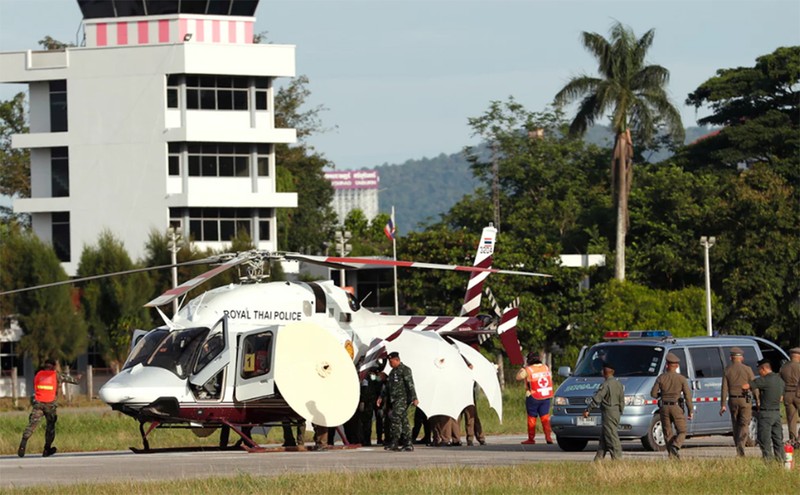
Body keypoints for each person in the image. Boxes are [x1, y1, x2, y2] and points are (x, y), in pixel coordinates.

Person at [18, 359, 81, 458]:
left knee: (32, 424)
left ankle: (23, 442)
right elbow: (73, 381)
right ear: (53, 366)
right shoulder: (56, 375)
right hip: (50, 405)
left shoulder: (38, 374)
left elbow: (36, 387)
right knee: (50, 427)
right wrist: (78, 378)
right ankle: (47, 449)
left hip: (38, 403)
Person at [650, 352, 692, 459]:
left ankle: (671, 455)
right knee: (682, 431)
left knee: (667, 433)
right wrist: (690, 410)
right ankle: (676, 445)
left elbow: (653, 394)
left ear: (667, 365)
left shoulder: (661, 378)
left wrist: (662, 395)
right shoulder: (681, 379)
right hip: (676, 407)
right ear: (677, 366)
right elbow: (688, 396)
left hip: (664, 407)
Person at [376, 351, 418, 452]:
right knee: (403, 420)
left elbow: (410, 384)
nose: (390, 364)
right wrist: (381, 397)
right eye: (389, 362)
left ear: (397, 360)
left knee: (395, 419)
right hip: (394, 400)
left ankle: (396, 442)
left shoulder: (405, 370)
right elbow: (387, 386)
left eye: (391, 361)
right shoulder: (392, 372)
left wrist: (414, 397)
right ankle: (406, 443)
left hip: (402, 399)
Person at [583, 361, 625, 460]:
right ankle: (598, 459)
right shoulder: (619, 384)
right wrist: (620, 412)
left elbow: (598, 398)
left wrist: (588, 409)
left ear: (605, 372)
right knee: (604, 437)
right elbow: (622, 400)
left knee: (611, 437)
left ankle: (617, 459)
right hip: (616, 412)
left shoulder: (606, 385)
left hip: (608, 413)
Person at [719, 347, 756, 456]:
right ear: (742, 358)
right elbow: (754, 385)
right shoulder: (747, 369)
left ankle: (737, 447)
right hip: (745, 400)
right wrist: (758, 399)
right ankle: (741, 444)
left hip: (733, 400)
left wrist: (723, 405)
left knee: (735, 424)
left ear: (731, 358)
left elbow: (724, 388)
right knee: (744, 423)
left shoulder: (727, 370)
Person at [746, 358, 785, 460]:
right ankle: (781, 461)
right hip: (777, 414)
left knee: (764, 439)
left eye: (759, 370)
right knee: (778, 440)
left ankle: (768, 462)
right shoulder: (779, 380)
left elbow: (746, 386)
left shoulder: (764, 380)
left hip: (766, 414)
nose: (759, 373)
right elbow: (781, 398)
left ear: (763, 369)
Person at [515, 351, 554, 444]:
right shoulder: (545, 367)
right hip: (545, 396)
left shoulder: (528, 370)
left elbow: (518, 377)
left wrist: (522, 368)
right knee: (545, 418)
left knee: (532, 418)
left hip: (533, 396)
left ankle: (531, 439)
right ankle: (548, 437)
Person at [779, 347, 800, 447]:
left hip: (787, 394)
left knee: (791, 419)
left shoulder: (784, 367)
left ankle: (793, 440)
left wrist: (781, 394)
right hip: (799, 394)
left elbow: (779, 382)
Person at [461, 363, 486, 446]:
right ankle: (457, 438)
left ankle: (474, 437)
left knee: (471, 417)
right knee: (461, 417)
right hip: (460, 393)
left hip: (469, 394)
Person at [358, 367, 383, 446]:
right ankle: (367, 439)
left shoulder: (374, 376)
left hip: (375, 399)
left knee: (377, 419)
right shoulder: (367, 377)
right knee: (367, 421)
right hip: (369, 400)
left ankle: (378, 438)